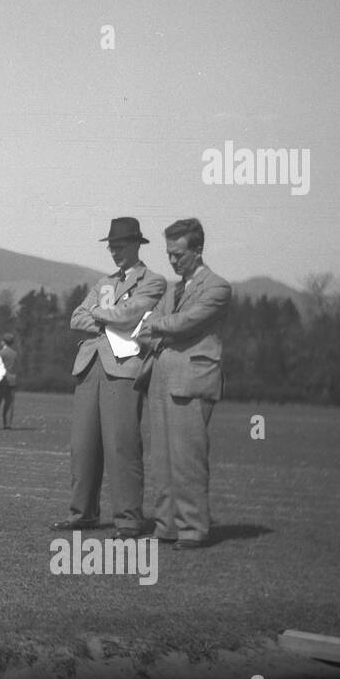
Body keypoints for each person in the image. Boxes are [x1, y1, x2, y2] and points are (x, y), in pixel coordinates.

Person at [53, 218, 167, 537]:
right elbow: (77, 316)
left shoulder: (153, 281)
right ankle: (82, 514)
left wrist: (101, 315)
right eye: (111, 246)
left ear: (136, 245)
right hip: (90, 365)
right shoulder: (103, 283)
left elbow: (131, 315)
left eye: (119, 246)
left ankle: (128, 519)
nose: (114, 252)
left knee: (121, 444)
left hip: (124, 367)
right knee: (82, 445)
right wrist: (111, 320)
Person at [136, 218, 231, 550]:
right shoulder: (173, 289)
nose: (173, 261)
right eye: (169, 254)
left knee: (187, 458)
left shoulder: (218, 288)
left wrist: (157, 327)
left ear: (198, 250)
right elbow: (153, 326)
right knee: (161, 459)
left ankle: (192, 529)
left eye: (178, 254)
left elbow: (183, 323)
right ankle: (167, 526)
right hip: (160, 377)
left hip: (192, 380)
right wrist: (158, 327)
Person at [0, 333, 19, 429]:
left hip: (2, 381)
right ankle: (7, 424)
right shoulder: (15, 354)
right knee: (9, 404)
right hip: (12, 381)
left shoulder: (0, 353)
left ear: (3, 342)